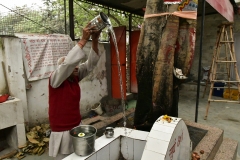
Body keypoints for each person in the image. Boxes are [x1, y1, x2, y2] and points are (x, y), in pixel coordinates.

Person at [48, 22, 102, 160]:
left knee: (79, 155)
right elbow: (67, 64)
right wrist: (83, 40)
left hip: (76, 124)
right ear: (64, 70)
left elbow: (91, 63)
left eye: (77, 65)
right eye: (73, 66)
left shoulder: (75, 78)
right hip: (62, 130)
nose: (76, 67)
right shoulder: (55, 80)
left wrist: (94, 40)